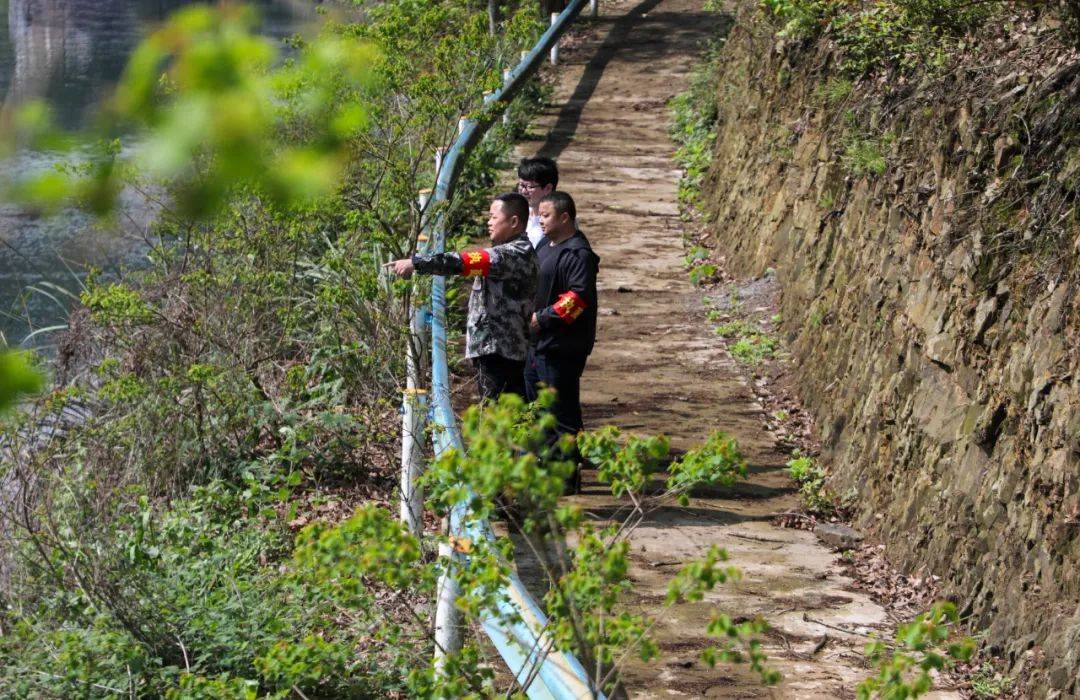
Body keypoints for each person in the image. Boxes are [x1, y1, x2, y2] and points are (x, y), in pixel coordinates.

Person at [390, 193, 537, 400]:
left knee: (499, 417)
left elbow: (462, 261)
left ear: (514, 222)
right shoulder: (511, 252)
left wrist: (416, 263)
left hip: (500, 352)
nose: (489, 222)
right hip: (500, 351)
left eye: (494, 217)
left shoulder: (511, 254)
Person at [525, 192, 599, 493]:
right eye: (539, 216)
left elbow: (578, 298)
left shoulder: (577, 253)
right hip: (538, 345)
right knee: (539, 409)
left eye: (545, 216)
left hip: (561, 347)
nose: (540, 221)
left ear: (564, 217)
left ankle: (567, 476)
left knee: (561, 412)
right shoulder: (545, 244)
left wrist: (543, 318)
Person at [517, 156, 558, 248]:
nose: (523, 191)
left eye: (529, 187)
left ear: (548, 188)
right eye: (521, 185)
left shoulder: (560, 221)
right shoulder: (517, 213)